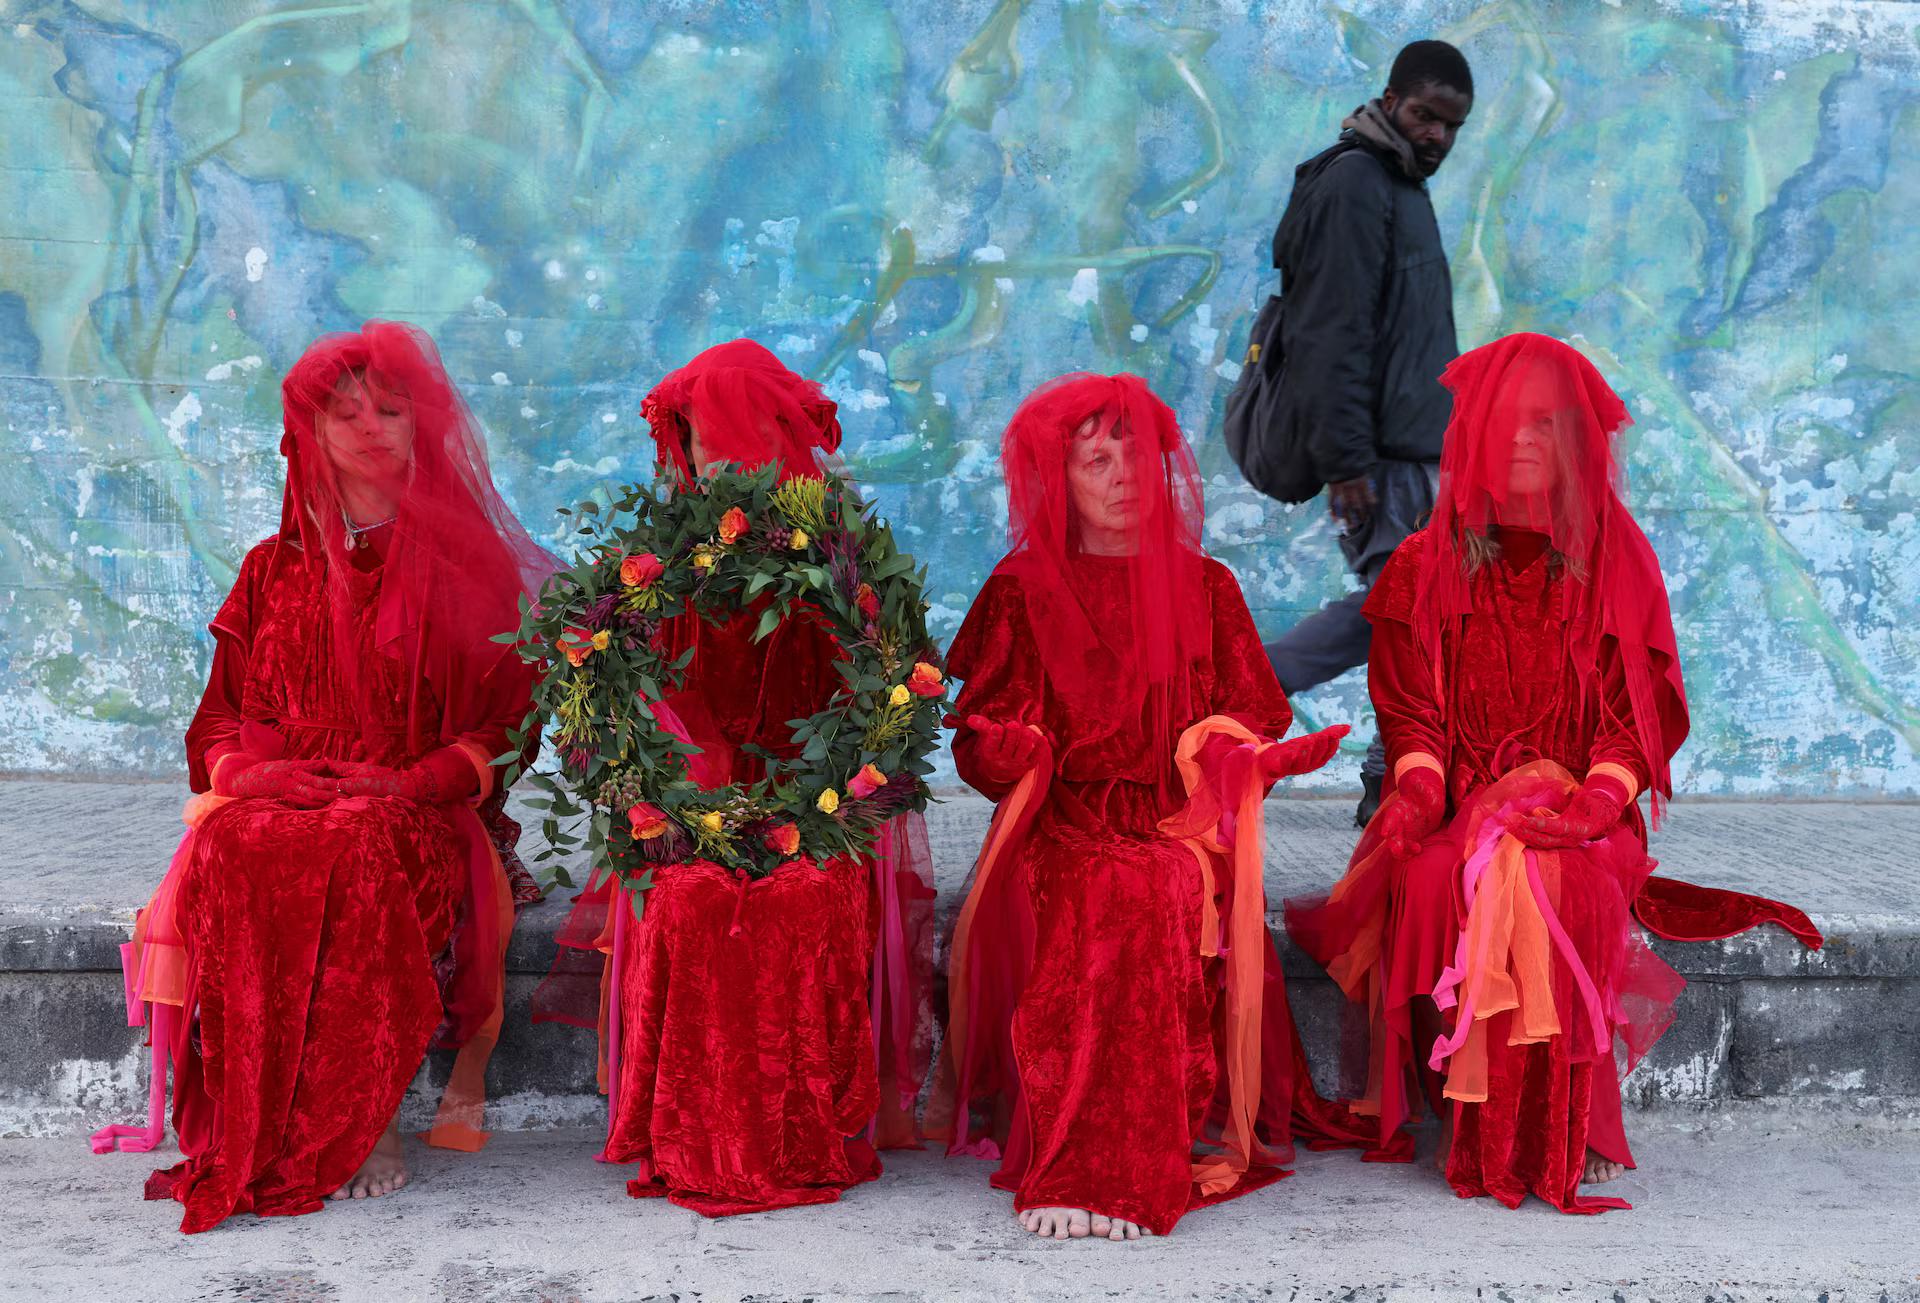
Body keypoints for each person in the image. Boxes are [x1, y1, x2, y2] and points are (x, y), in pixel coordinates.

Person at [1284, 333, 1822, 1213]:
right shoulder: (1425, 561)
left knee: (1549, 873)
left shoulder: (1617, 560)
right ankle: (1487, 1119)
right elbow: (1410, 712)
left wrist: (1594, 804)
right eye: (1506, 423)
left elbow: (1632, 724)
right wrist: (1419, 790)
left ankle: (1577, 1119)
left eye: (1545, 424)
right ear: (1474, 439)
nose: (1523, 440)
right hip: (1462, 807)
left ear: (1575, 441)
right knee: (1443, 873)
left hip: (1587, 807)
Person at [92, 323, 555, 1232]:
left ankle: (367, 1116)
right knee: (234, 834)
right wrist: (252, 780)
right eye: (348, 413)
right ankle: (253, 1116)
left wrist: (420, 781)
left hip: (411, 805)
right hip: (287, 793)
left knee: (354, 842)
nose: (373, 427)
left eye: (392, 409)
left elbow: (508, 726)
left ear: (425, 426)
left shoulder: (469, 570)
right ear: (310, 433)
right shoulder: (272, 570)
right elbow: (216, 720)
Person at [932, 372, 1366, 1242]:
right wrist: (1013, 749)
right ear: (1062, 479)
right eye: (1097, 458)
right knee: (1105, 889)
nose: (1124, 474)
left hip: (1178, 825)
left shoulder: (1206, 586)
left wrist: (1251, 757)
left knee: (1155, 882)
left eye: (1136, 453)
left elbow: (1248, 723)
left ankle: (1121, 1159)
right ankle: (1084, 1156)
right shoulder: (1018, 590)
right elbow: (976, 742)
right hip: (1060, 820)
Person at [533, 340, 936, 1215]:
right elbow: (624, 703)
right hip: (694, 797)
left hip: (819, 804)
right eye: (694, 447)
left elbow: (882, 705)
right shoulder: (666, 569)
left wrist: (803, 807)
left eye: (723, 443)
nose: (707, 465)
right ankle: (689, 1136)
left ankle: (797, 1137)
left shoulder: (840, 565)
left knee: (798, 892)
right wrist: (651, 783)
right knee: (693, 893)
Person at [1257, 39, 1475, 824]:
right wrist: (1347, 464)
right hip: (1380, 460)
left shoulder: (1399, 184)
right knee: (1407, 616)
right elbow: (1330, 335)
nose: (1437, 137)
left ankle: (1392, 778)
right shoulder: (1357, 185)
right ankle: (1253, 688)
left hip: (1412, 452)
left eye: (1452, 126)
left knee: (1407, 615)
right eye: (1425, 116)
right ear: (1390, 99)